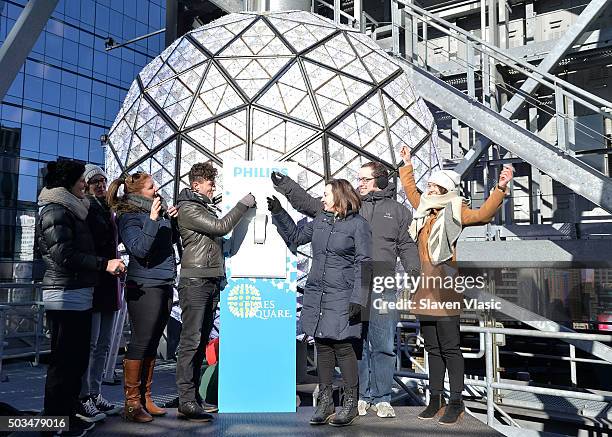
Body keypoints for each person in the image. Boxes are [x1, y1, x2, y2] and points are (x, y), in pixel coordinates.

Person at [270, 163, 420, 418]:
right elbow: (307, 203)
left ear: (380, 180)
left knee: (382, 344)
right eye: (358, 179)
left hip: (382, 285)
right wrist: (286, 186)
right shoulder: (349, 207)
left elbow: (405, 244)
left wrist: (414, 271)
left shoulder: (397, 211)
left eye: (364, 178)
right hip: (352, 286)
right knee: (355, 345)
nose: (360, 182)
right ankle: (361, 396)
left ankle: (382, 397)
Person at [398, 146, 513, 425]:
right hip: (423, 288)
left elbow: (484, 214)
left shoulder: (456, 210)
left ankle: (456, 402)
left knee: (450, 347)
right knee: (432, 347)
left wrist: (500, 188)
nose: (427, 189)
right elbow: (412, 192)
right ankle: (435, 399)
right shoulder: (423, 210)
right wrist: (407, 165)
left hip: (446, 287)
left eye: (432, 185)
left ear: (444, 189)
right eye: (427, 185)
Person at [268, 179, 372, 427]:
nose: (322, 199)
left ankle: (349, 403)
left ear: (339, 196)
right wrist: (279, 212)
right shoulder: (321, 221)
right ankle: (325, 403)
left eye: (325, 195)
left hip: (343, 294)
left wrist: (359, 297)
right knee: (323, 345)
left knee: (344, 347)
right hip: (318, 293)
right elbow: (295, 236)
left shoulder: (358, 225)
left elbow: (365, 263)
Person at [37, 160, 125, 436]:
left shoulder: (74, 209)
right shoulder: (55, 210)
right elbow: (64, 255)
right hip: (64, 294)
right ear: (68, 183)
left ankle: (68, 415)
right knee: (63, 362)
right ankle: (51, 423)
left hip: (77, 293)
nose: (85, 185)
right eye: (81, 181)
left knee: (74, 361)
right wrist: (103, 264)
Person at [175, 162, 256, 421]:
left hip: (208, 279)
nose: (213, 187)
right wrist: (243, 205)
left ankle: (193, 398)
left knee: (199, 342)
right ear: (196, 184)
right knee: (191, 341)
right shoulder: (188, 209)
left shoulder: (200, 208)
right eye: (210, 183)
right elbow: (221, 227)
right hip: (195, 281)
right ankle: (186, 400)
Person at [107, 172, 179, 423]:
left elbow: (167, 244)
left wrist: (172, 221)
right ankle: (132, 403)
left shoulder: (156, 212)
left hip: (163, 281)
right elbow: (139, 248)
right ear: (137, 193)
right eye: (150, 187)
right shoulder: (129, 216)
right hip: (144, 284)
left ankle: (146, 397)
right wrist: (152, 219)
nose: (156, 189)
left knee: (152, 342)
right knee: (141, 340)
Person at [76, 164, 122, 421]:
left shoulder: (109, 209)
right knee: (91, 343)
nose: (101, 185)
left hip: (110, 282)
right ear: (87, 183)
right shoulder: (85, 208)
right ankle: (84, 396)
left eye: (103, 181)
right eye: (96, 182)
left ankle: (95, 392)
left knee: (103, 344)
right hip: (95, 280)